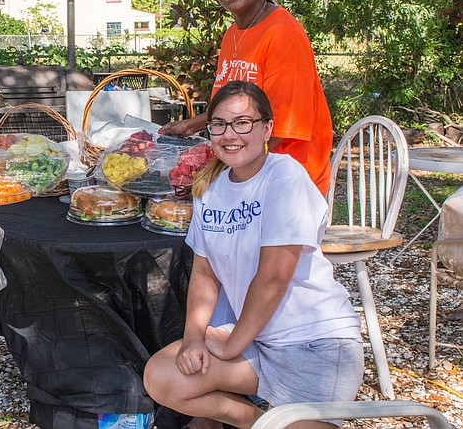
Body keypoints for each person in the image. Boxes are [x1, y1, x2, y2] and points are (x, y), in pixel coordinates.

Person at [143, 81, 363, 429]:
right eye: (219, 124)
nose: (230, 134)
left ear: (266, 128)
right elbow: (204, 274)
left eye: (243, 122)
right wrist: (194, 338)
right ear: (209, 130)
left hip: (314, 345)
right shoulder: (209, 187)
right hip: (257, 346)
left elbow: (274, 276)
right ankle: (255, 420)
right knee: (162, 376)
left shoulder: (284, 175)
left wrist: (231, 345)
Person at [161, 0, 333, 195]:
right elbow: (236, 111)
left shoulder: (283, 32)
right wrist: (191, 125)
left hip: (288, 180)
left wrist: (215, 171)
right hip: (248, 170)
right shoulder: (233, 34)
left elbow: (278, 126)